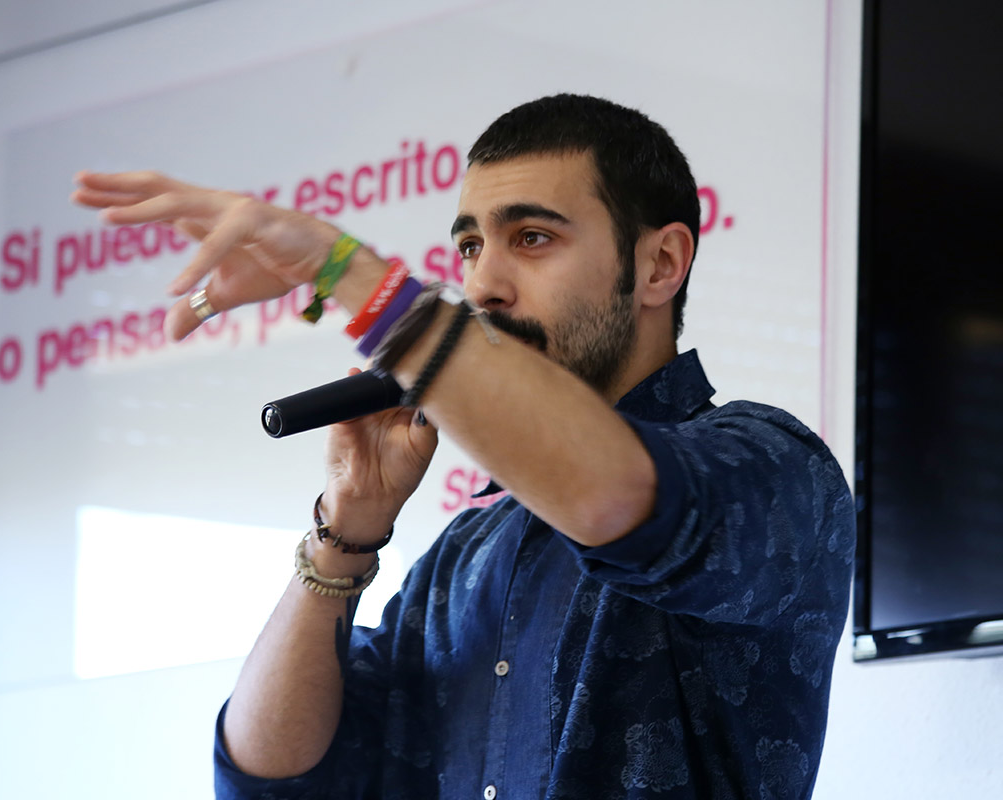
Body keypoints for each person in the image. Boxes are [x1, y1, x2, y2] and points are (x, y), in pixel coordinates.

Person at [74, 94, 855, 800]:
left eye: (533, 237)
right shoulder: (466, 551)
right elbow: (269, 776)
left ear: (660, 264)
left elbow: (613, 498)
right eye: (472, 248)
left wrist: (341, 271)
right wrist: (344, 533)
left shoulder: (773, 464)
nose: (484, 287)